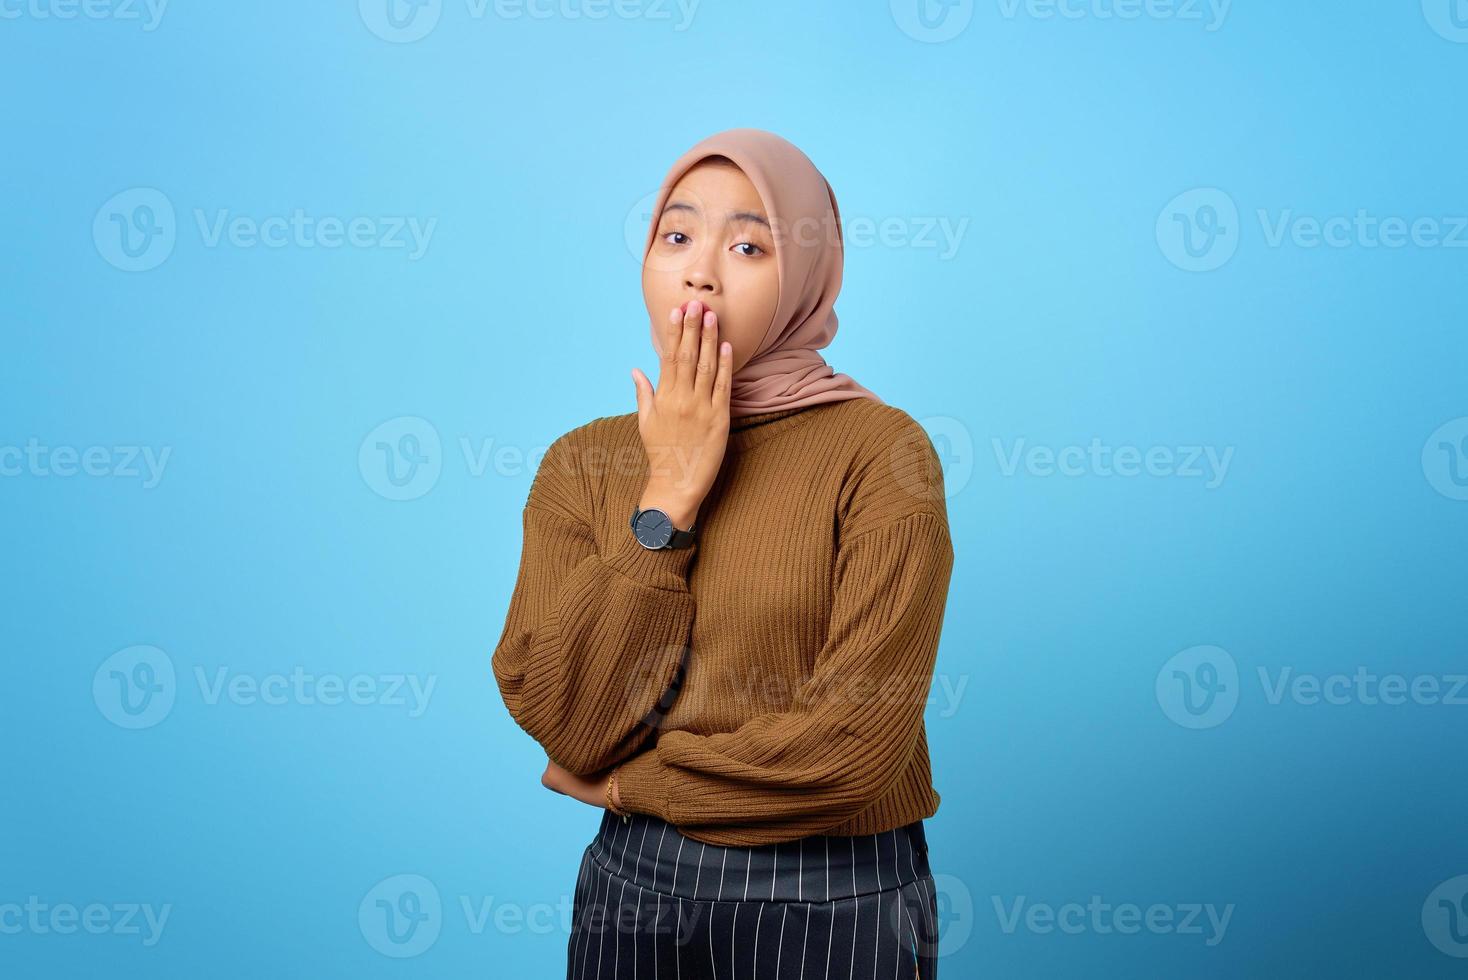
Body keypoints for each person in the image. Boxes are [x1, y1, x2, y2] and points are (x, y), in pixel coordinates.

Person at [491, 127, 954, 978]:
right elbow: (565, 719)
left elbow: (852, 746)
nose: (701, 271)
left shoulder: (882, 454)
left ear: (807, 275)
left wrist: (637, 790)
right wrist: (667, 495)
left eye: (747, 244)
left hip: (834, 898)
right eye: (676, 235)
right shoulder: (580, 462)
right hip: (633, 889)